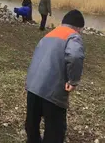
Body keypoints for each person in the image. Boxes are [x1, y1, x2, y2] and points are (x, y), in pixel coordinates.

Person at [25, 9, 85, 143]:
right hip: (52, 90)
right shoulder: (73, 36)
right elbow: (75, 56)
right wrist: (73, 80)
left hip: (33, 86)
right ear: (78, 27)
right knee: (55, 130)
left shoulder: (50, 34)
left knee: (32, 124)